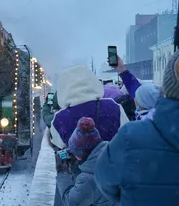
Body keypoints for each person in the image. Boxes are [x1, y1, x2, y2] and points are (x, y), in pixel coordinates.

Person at [95, 52, 179, 206]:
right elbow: (139, 91)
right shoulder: (148, 104)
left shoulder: (131, 138)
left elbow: (104, 180)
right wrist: (122, 70)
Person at [48, 65, 129, 150]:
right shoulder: (113, 107)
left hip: (80, 162)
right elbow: (127, 134)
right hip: (115, 160)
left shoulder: (60, 118)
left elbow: (59, 144)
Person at [56, 117, 117, 206]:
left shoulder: (87, 179)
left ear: (80, 154)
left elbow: (70, 202)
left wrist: (62, 172)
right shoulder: (113, 153)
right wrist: (76, 168)